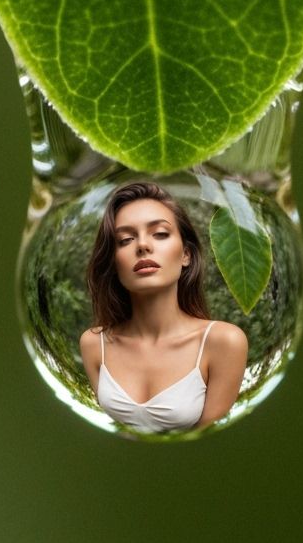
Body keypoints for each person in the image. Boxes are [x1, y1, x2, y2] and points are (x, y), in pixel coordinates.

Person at [80, 182, 248, 433]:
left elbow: (210, 448)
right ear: (114, 263)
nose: (143, 246)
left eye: (160, 233)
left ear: (186, 255)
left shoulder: (224, 342)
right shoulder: (94, 344)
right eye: (125, 240)